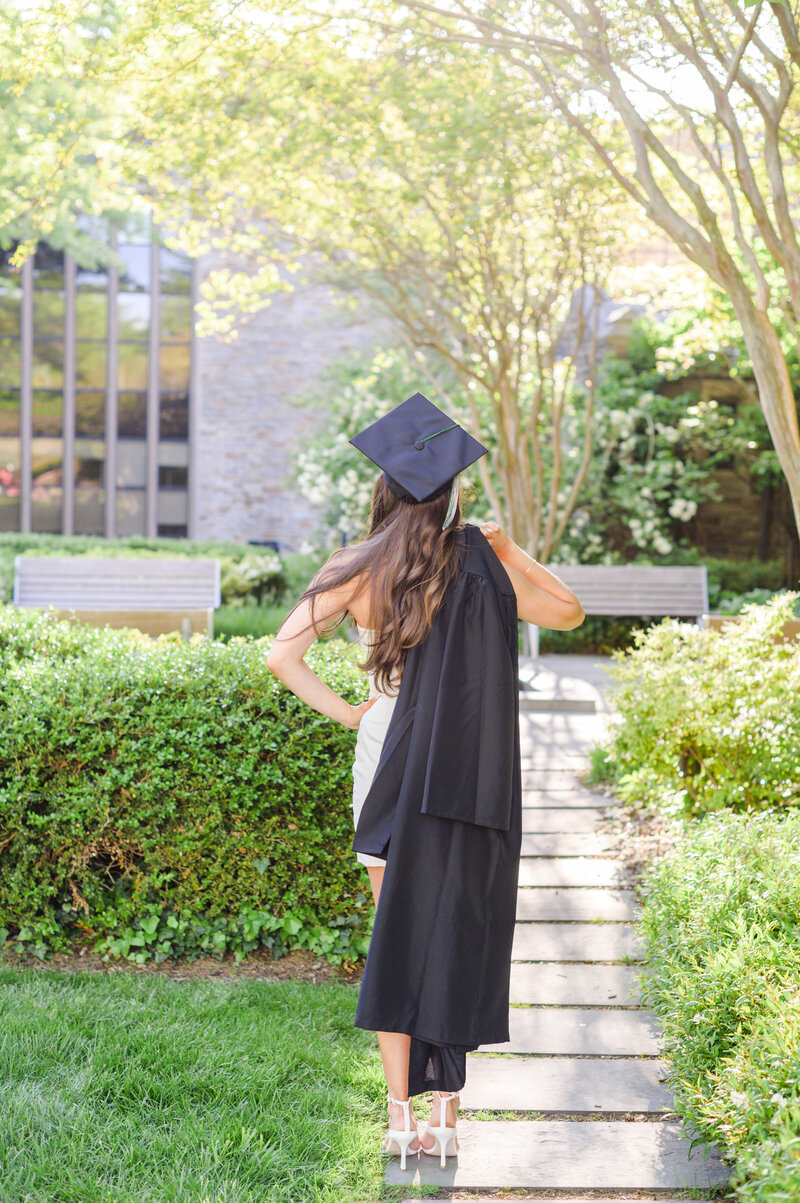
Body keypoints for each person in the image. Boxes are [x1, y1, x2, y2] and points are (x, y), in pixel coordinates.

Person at [266, 392, 584, 1170]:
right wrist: (511, 551)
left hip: (387, 754)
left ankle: (398, 1116)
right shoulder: (472, 556)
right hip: (465, 767)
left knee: (396, 937)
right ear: (448, 494)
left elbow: (280, 655)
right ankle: (447, 1117)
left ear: (383, 489)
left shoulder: (357, 564)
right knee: (456, 934)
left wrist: (353, 714)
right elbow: (569, 613)